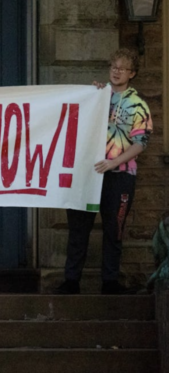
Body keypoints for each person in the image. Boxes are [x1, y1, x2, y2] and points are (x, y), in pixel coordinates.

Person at [56, 48, 153, 295]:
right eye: (113, 67)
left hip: (119, 175)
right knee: (78, 228)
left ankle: (110, 283)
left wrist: (114, 162)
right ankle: (71, 281)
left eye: (122, 68)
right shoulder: (97, 95)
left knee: (114, 229)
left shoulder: (137, 104)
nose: (116, 71)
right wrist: (92, 93)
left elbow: (141, 143)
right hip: (86, 174)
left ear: (132, 73)